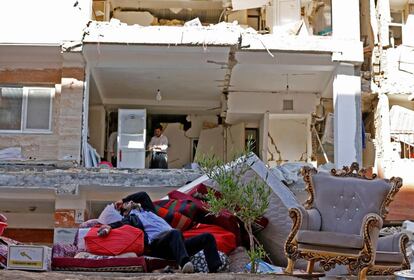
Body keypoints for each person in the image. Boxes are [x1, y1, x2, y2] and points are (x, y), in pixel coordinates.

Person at [99, 192, 222, 273]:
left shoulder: (148, 210)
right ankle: (184, 263)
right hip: (159, 246)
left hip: (176, 243)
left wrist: (123, 199)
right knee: (175, 233)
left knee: (208, 237)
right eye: (127, 204)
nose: (130, 202)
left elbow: (143, 195)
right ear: (124, 212)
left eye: (130, 201)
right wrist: (109, 227)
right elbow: (120, 224)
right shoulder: (130, 218)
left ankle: (215, 269)